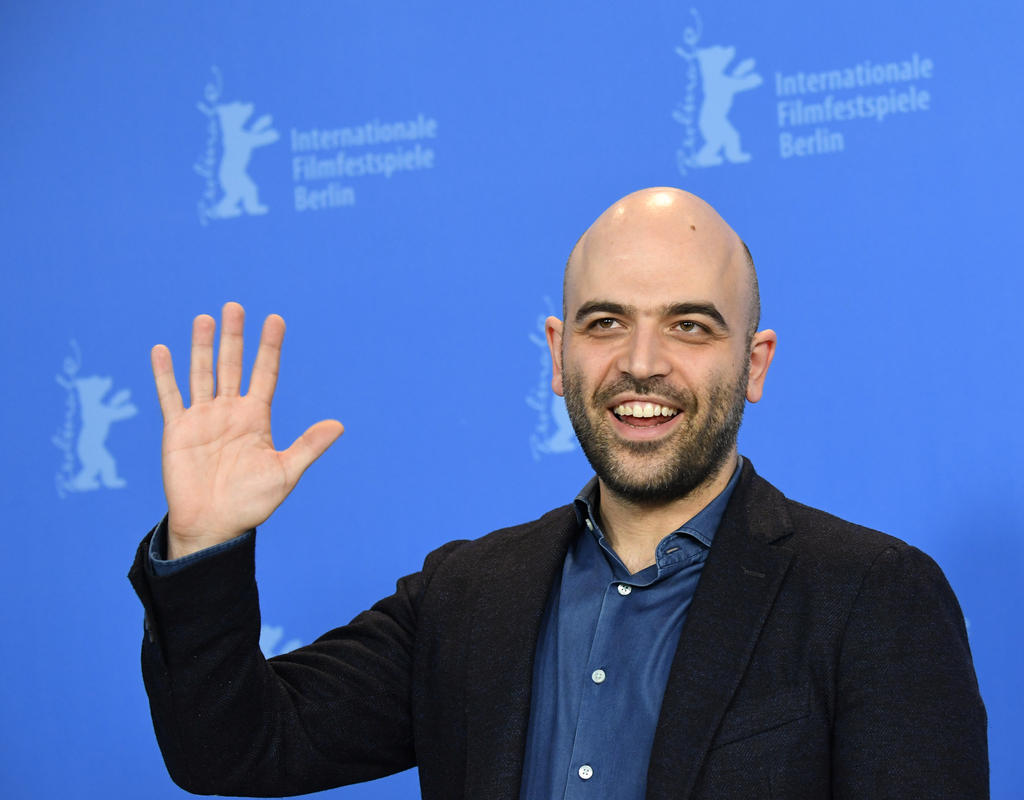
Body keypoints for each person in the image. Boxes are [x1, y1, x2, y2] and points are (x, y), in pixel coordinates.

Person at [130, 187, 988, 799]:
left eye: (690, 325)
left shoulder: (874, 596)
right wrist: (203, 548)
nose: (642, 361)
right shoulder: (468, 595)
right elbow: (234, 750)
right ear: (557, 353)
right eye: (605, 322)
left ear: (753, 363)